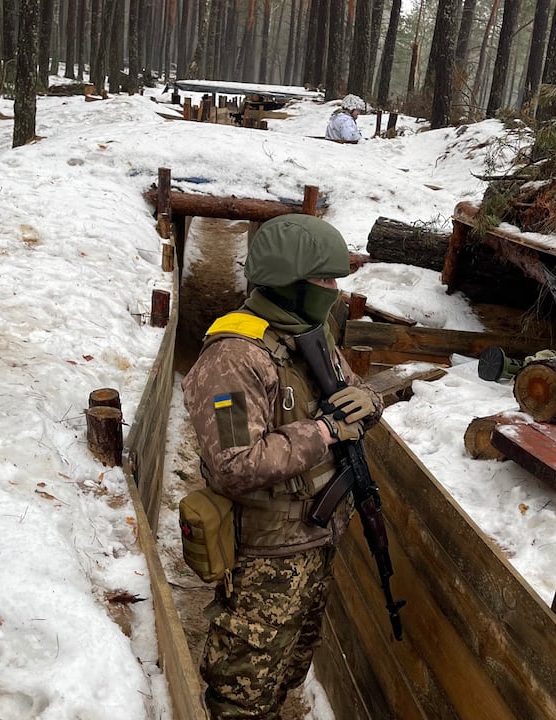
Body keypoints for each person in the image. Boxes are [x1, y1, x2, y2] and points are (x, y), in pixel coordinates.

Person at [182, 214, 383, 719]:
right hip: (266, 557)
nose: (334, 291)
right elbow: (234, 462)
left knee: (289, 670)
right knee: (243, 691)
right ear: (290, 282)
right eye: (325, 280)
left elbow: (350, 392)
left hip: (316, 541)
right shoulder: (232, 359)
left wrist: (368, 400)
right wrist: (324, 432)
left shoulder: (309, 336)